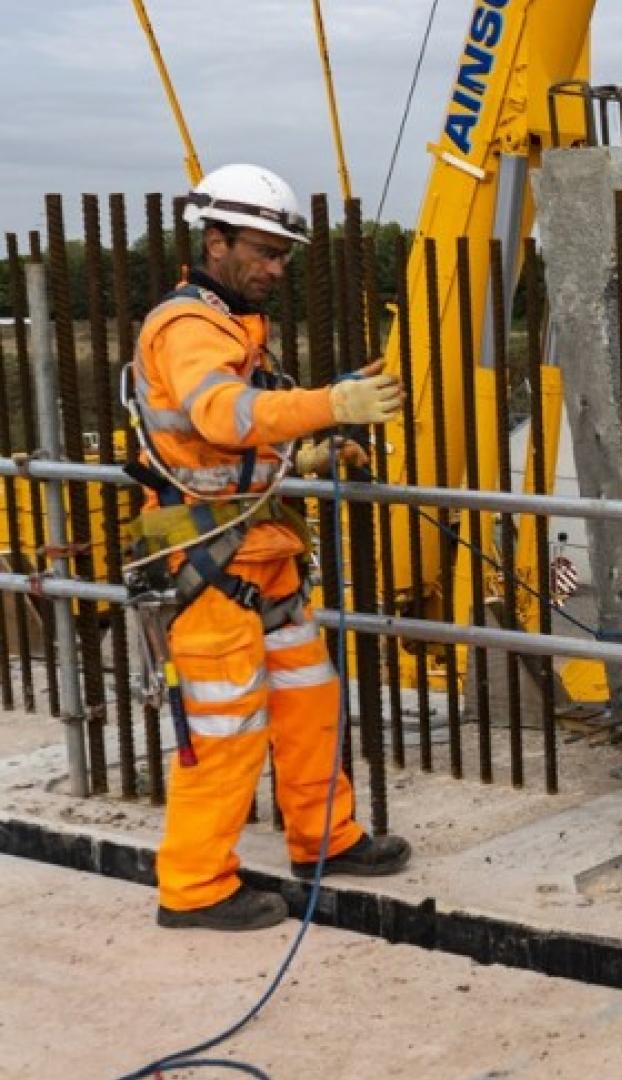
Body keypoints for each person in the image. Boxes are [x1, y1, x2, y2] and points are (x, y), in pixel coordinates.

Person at [131, 164, 410, 931]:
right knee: (225, 726)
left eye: (285, 253)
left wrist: (312, 449)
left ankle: (325, 838)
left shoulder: (235, 325)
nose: (277, 268)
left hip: (258, 545)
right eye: (263, 250)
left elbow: (235, 446)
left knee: (310, 699)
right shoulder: (186, 328)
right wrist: (329, 403)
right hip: (207, 557)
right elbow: (221, 415)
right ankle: (193, 888)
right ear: (213, 240)